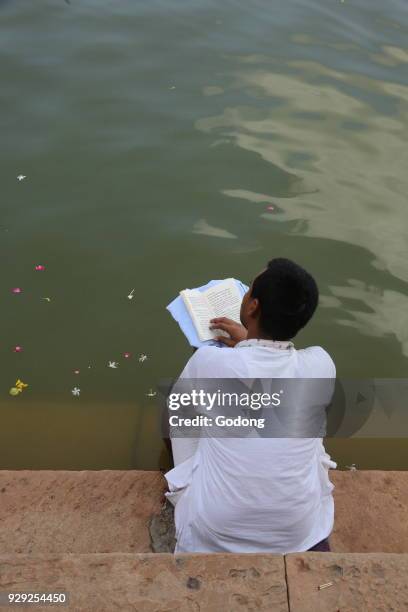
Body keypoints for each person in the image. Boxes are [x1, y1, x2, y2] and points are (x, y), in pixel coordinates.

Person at [165, 258, 336, 554]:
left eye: (248, 291)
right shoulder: (322, 364)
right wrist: (250, 341)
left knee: (182, 406)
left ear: (253, 306)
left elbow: (178, 417)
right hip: (297, 530)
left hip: (214, 528)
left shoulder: (209, 361)